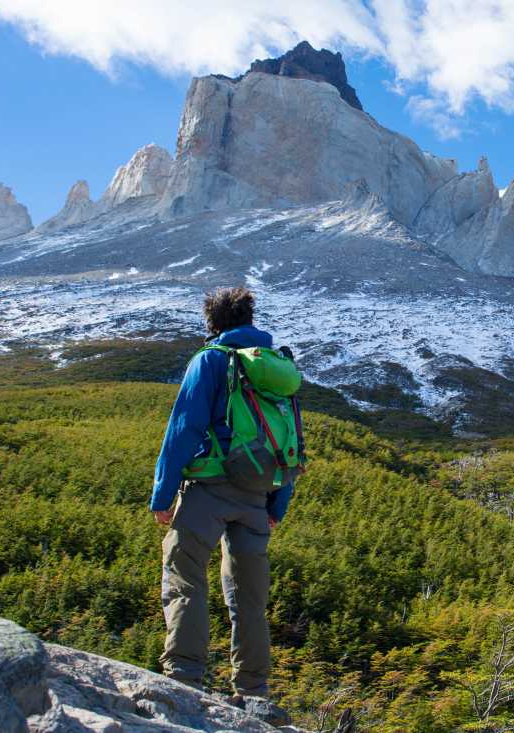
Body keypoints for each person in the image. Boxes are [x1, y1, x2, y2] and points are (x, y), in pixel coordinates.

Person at [150, 286, 293, 711]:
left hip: (208, 490)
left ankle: (184, 678)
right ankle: (253, 691)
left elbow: (182, 430)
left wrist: (162, 494)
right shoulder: (275, 369)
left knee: (185, 578)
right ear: (250, 319)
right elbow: (289, 442)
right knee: (250, 598)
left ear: (211, 323)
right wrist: (276, 507)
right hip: (257, 497)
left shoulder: (210, 360)